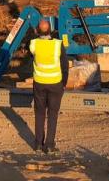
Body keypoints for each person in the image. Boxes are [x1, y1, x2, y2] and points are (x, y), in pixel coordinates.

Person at [29, 18, 69, 154]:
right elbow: (64, 65)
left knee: (39, 114)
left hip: (39, 83)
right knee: (53, 115)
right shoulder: (58, 44)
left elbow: (32, 59)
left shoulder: (33, 44)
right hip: (55, 84)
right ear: (51, 29)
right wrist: (64, 83)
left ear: (37, 30)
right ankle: (49, 145)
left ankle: (38, 144)